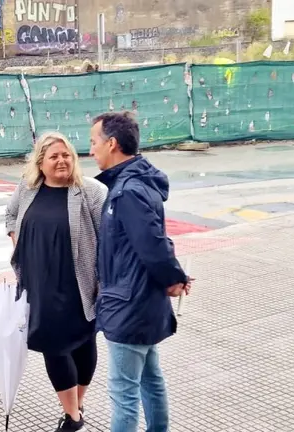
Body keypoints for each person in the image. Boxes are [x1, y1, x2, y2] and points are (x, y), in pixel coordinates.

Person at [90, 112, 192, 432]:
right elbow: (155, 240)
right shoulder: (136, 183)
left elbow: (152, 244)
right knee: (150, 379)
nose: (91, 150)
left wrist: (174, 278)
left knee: (124, 393)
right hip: (141, 300)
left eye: (94, 142)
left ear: (111, 143)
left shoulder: (127, 191)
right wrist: (174, 277)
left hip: (129, 305)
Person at [5, 132, 107, 432]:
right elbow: (10, 216)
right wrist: (17, 241)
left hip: (79, 284)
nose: (61, 161)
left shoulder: (90, 192)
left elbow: (110, 238)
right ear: (40, 163)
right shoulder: (27, 189)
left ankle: (76, 404)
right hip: (40, 285)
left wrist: (105, 283)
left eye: (66, 155)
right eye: (54, 156)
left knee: (84, 343)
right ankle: (73, 416)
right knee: (54, 346)